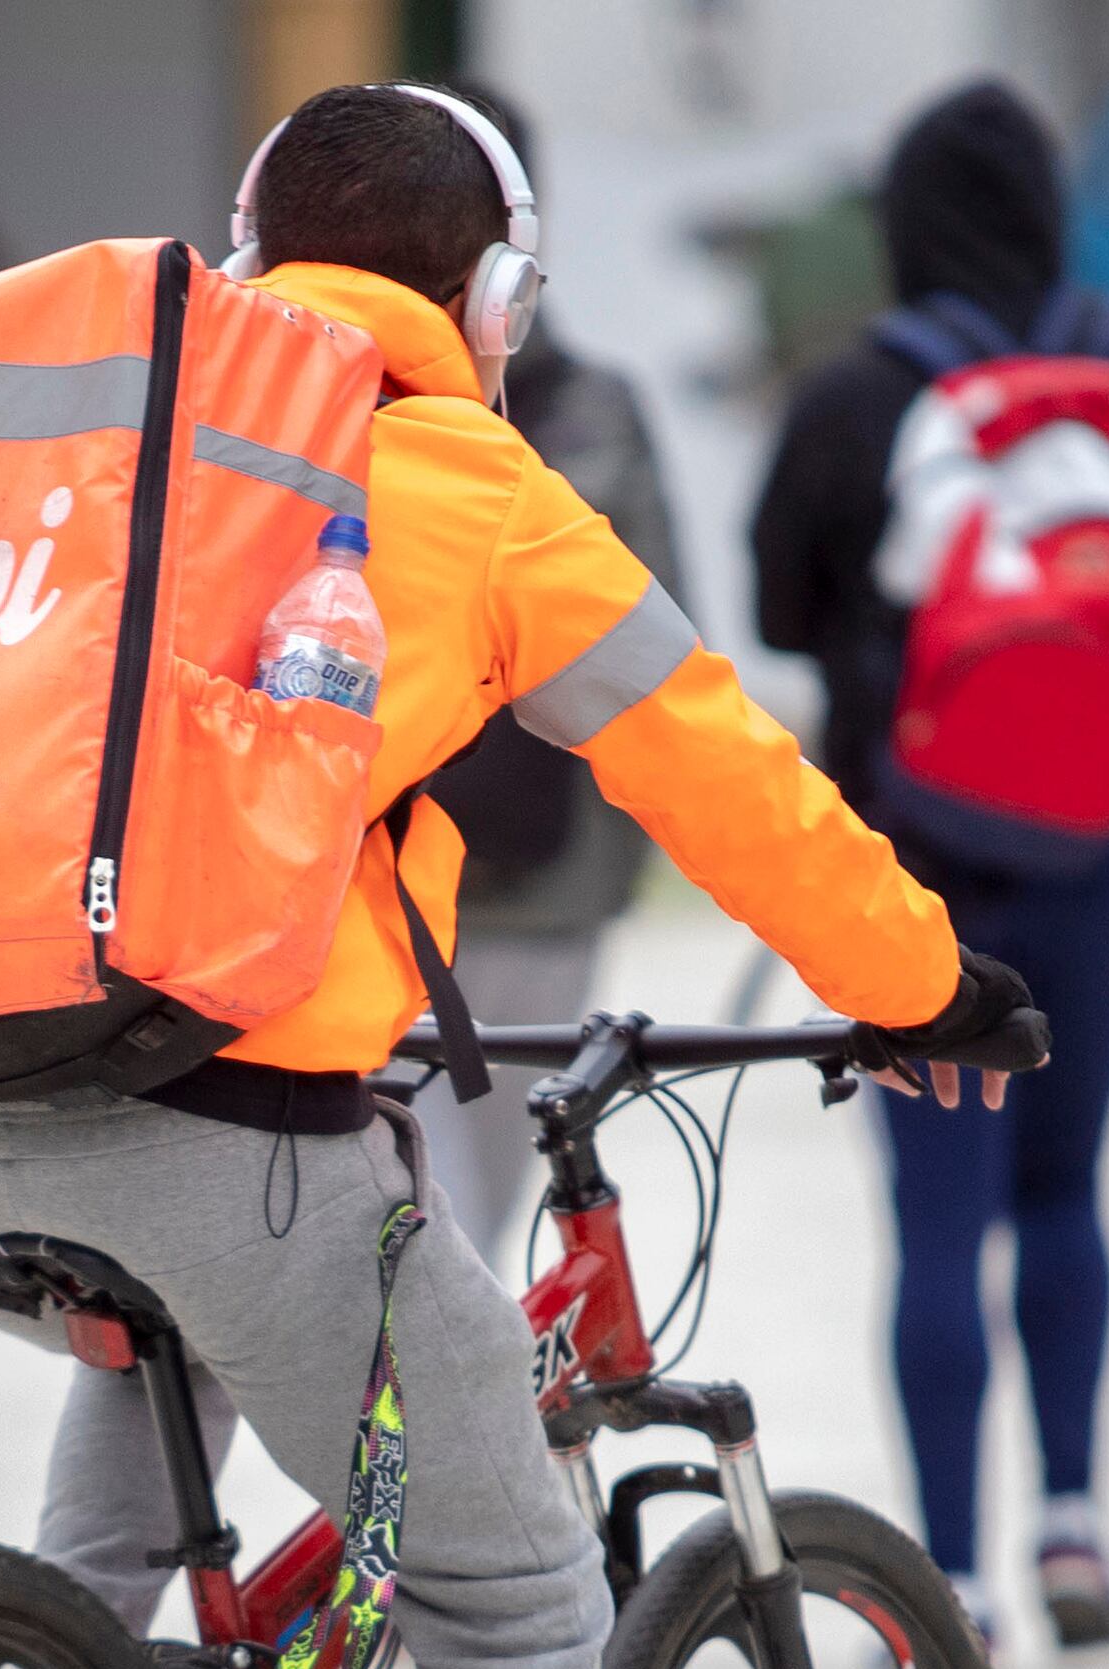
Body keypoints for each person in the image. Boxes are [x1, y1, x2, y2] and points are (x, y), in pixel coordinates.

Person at [0, 84, 1043, 1669]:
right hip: (224, 1135)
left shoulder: (104, 427)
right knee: (522, 1605)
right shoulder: (474, 486)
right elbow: (722, 775)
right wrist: (921, 984)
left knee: (179, 1351)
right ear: (492, 299)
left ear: (249, 265)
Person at [752, 79, 1109, 1650]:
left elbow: (782, 604)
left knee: (938, 1217)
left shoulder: (855, 392)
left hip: (919, 860)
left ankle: (951, 1584)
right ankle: (1076, 1530)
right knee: (1069, 1187)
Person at [414, 82, 689, 1261]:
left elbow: (664, 659)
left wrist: (613, 867)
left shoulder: (592, 408)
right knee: (427, 1227)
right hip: (388, 885)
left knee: (463, 1224)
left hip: (535, 877)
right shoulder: (593, 412)